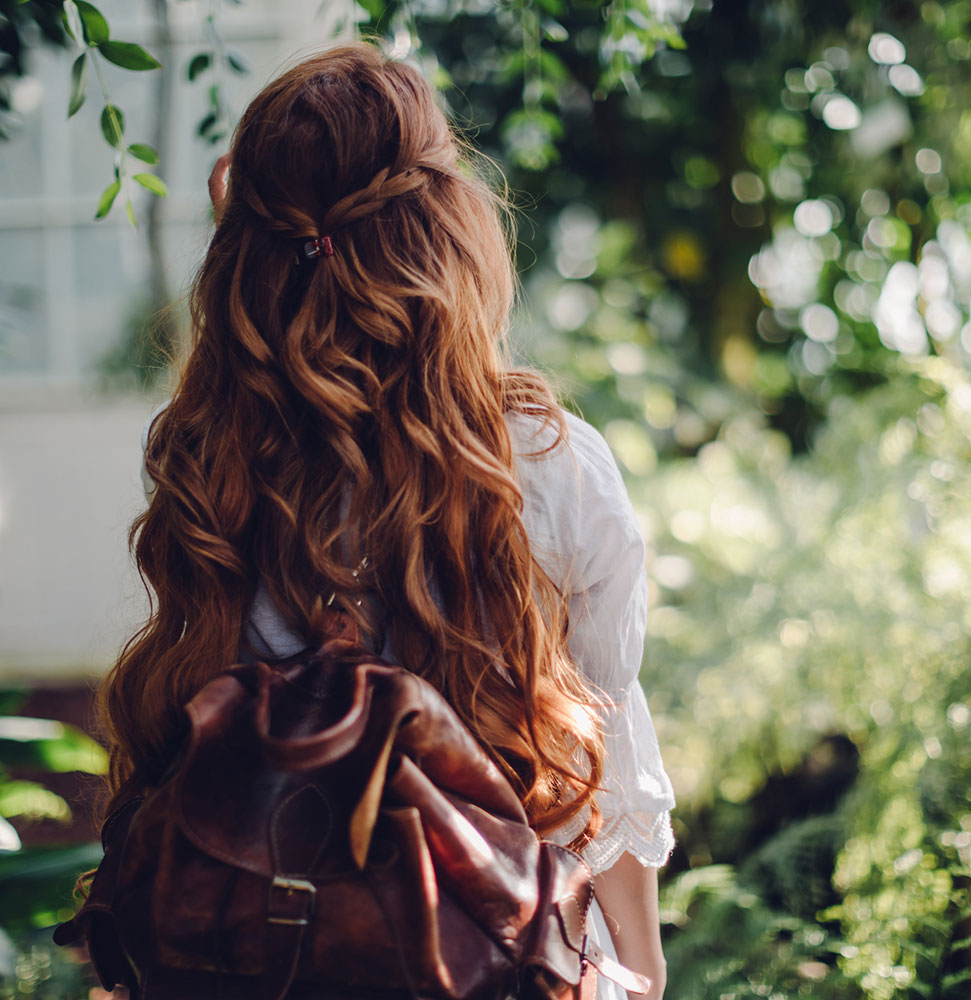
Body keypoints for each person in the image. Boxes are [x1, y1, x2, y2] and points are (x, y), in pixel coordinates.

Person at [101, 40, 674, 1000]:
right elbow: (605, 750)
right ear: (446, 228)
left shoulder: (211, 464)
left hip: (254, 961)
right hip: (488, 961)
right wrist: (642, 967)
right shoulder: (549, 464)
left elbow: (184, 753)